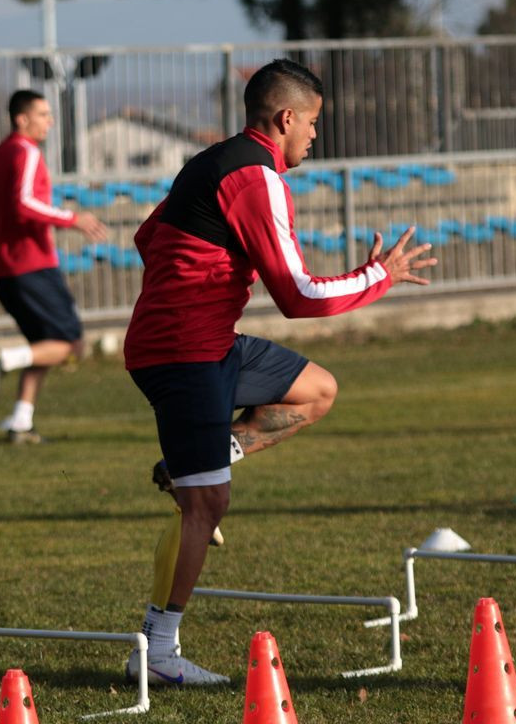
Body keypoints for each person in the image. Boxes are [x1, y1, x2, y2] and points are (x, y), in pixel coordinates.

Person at [122, 59, 437, 684]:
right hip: (183, 353)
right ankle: (157, 651)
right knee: (207, 504)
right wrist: (380, 276)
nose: (316, 136)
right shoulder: (255, 177)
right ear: (285, 118)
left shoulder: (210, 161)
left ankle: (209, 456)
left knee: (317, 390)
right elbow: (298, 296)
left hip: (209, 343)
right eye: (314, 122)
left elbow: (145, 236)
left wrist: (192, 279)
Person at [0, 90, 107, 443]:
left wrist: (1, 233)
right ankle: (5, 359)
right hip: (33, 266)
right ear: (22, 119)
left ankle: (20, 422)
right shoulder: (25, 151)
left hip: (5, 271)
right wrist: (73, 219)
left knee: (43, 345)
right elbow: (25, 202)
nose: (50, 121)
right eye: (43, 114)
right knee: (71, 345)